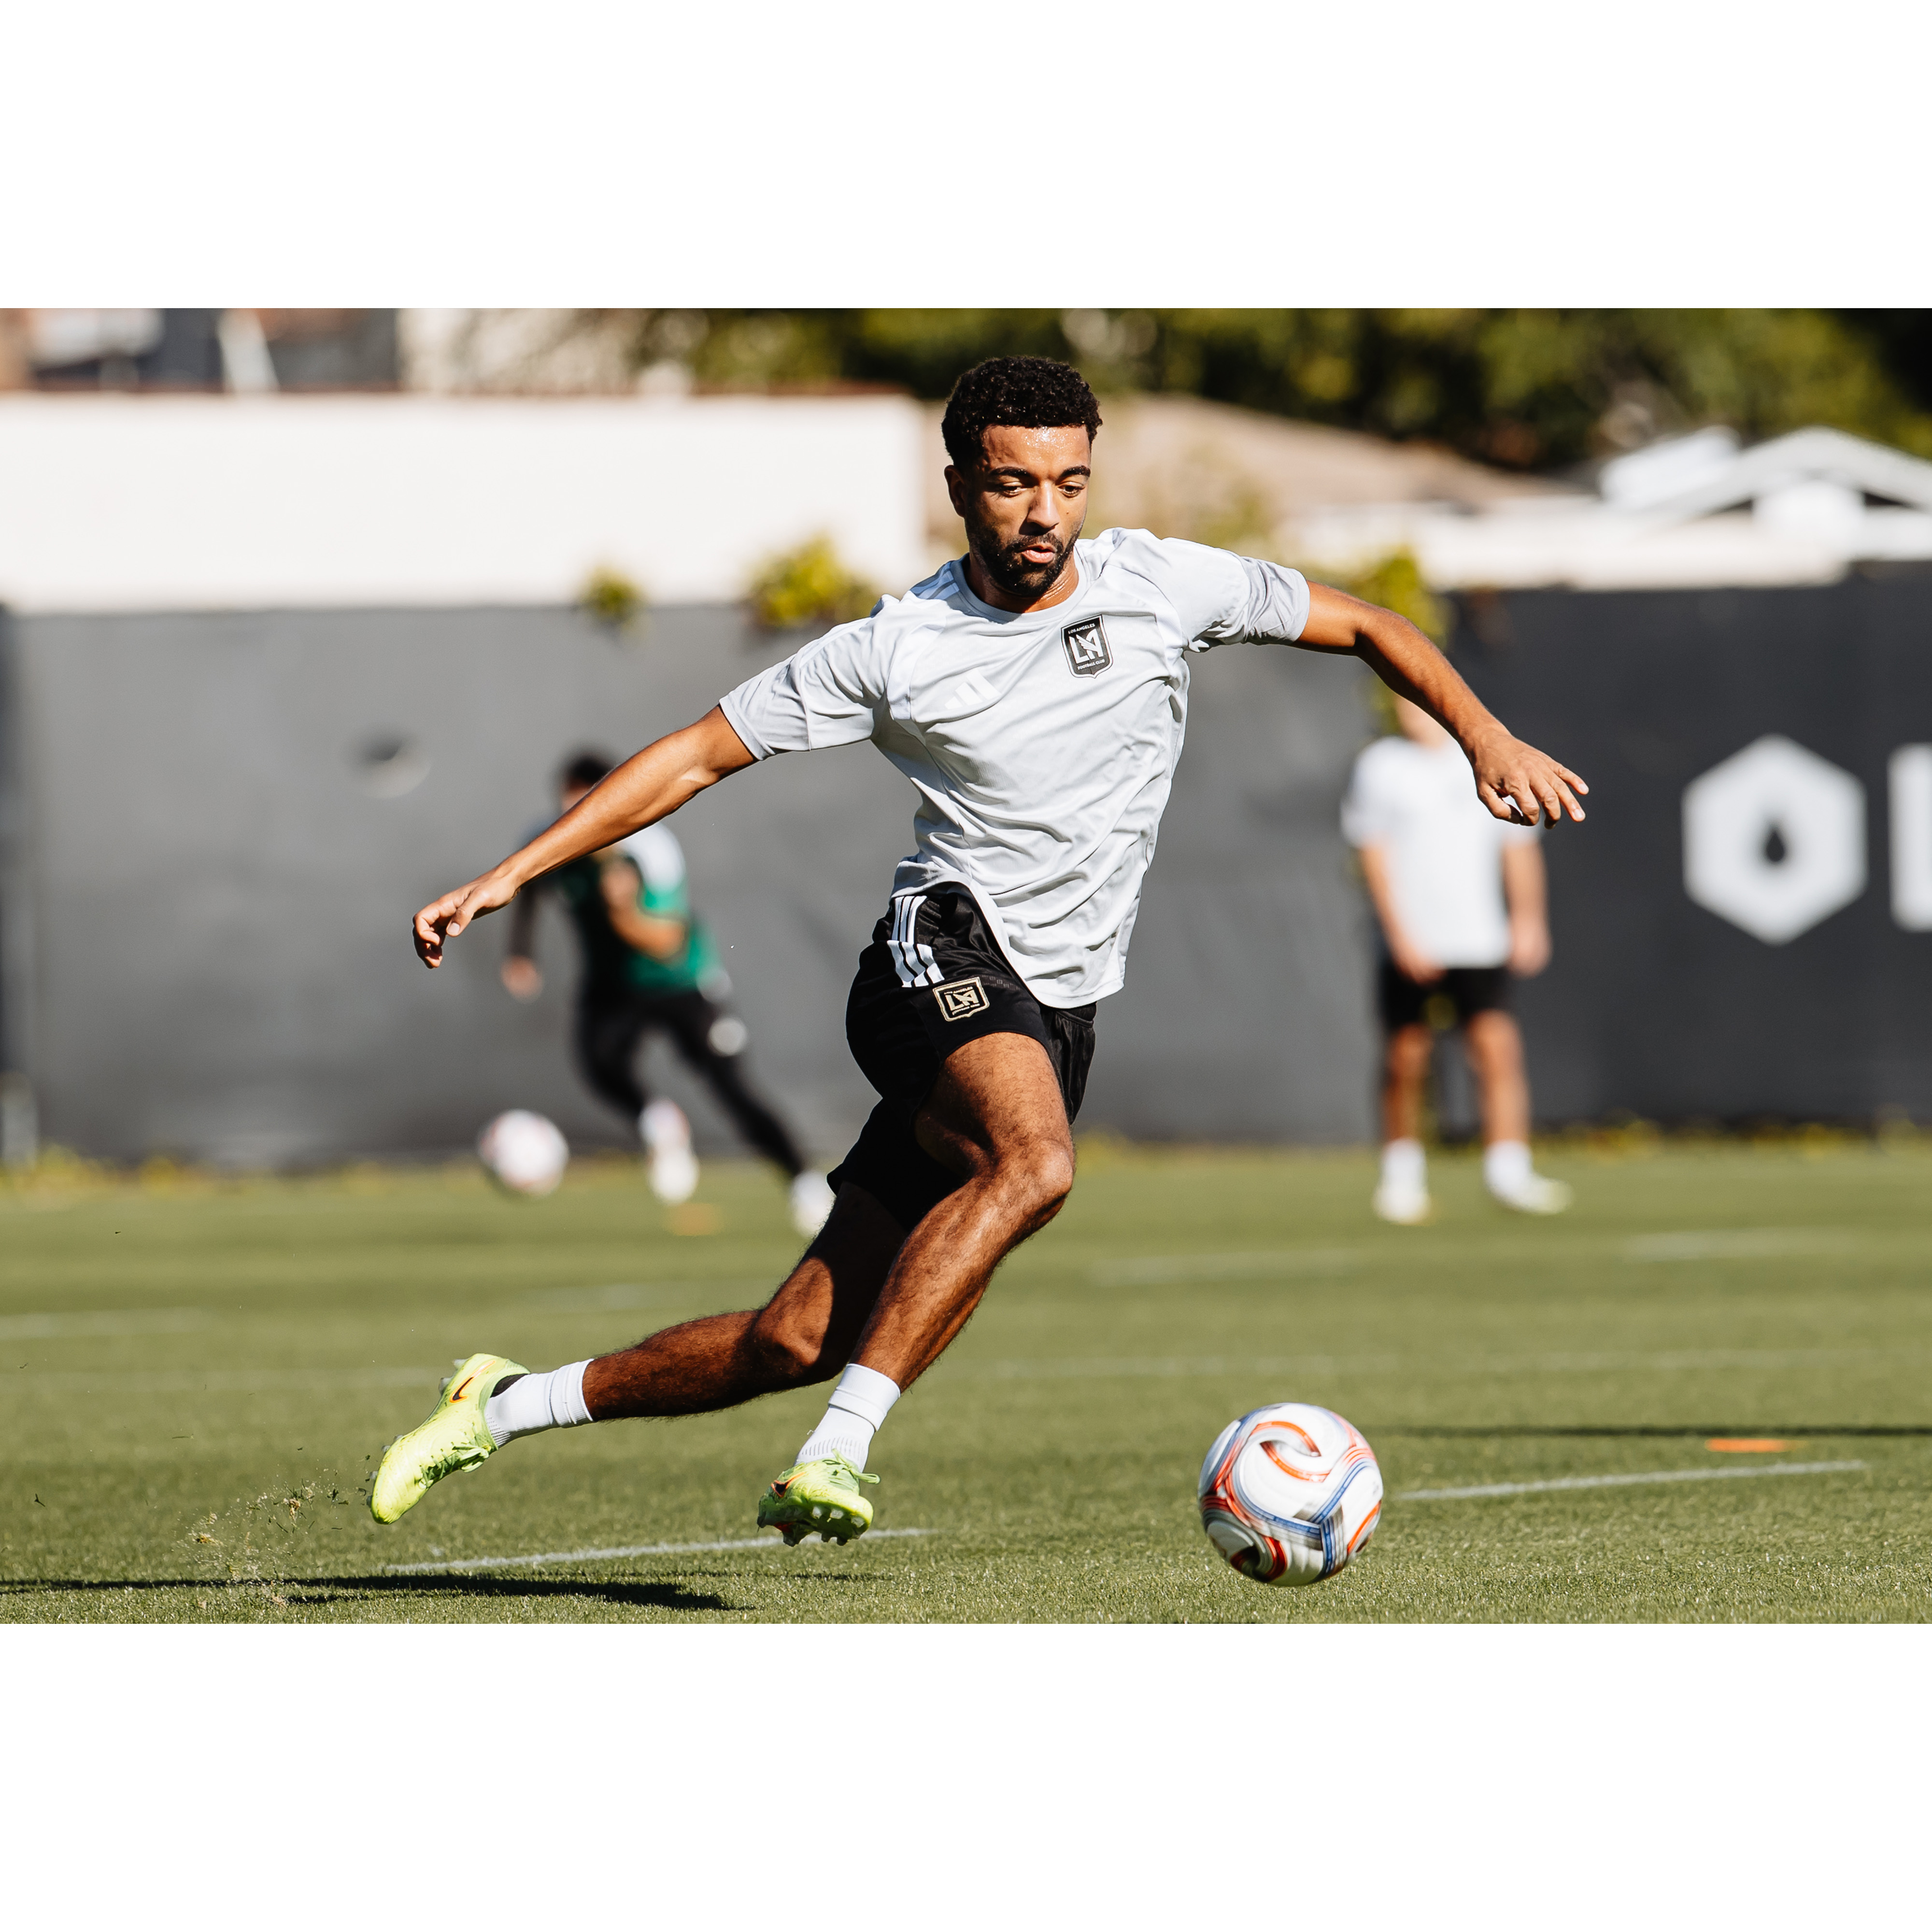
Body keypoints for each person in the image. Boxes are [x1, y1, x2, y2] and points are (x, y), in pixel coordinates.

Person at [370, 356, 1587, 1544]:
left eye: (1068, 482)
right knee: (1034, 1163)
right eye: (1012, 484)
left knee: (793, 1338)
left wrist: (1483, 737)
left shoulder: (1162, 584)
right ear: (959, 486)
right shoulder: (896, 646)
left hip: (1057, 1007)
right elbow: (691, 756)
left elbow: (1368, 623)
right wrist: (512, 873)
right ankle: (835, 1453)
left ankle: (500, 1403)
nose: (1044, 512)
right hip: (937, 949)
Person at [503, 750, 835, 1236]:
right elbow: (525, 885)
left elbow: (666, 943)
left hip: (679, 983)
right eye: (567, 801)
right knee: (599, 1064)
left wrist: (622, 912)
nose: (575, 814)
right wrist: (520, 951)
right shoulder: (548, 839)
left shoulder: (646, 849)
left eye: (587, 800)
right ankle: (657, 1120)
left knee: (731, 1089)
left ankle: (803, 1180)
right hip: (611, 985)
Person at [1344, 692, 1572, 1222]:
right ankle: (1400, 1179)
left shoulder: (1485, 760)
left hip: (1477, 937)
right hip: (1412, 942)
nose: (1414, 713)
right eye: (1405, 703)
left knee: (1496, 1049)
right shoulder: (1380, 766)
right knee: (1405, 1056)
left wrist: (1529, 918)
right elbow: (1373, 855)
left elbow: (1517, 846)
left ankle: (1509, 1174)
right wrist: (1400, 935)